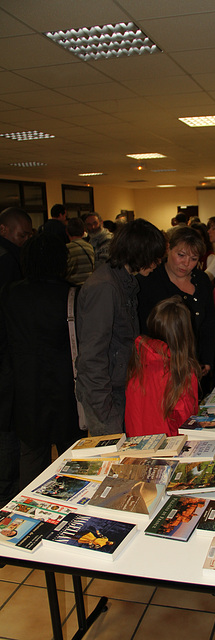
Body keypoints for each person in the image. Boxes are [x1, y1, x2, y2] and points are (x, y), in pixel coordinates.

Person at [0, 234, 82, 488]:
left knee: (32, 458)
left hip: (25, 387)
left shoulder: (10, 293)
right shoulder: (72, 294)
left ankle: (32, 513)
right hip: (66, 388)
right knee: (74, 458)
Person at [76, 219, 166, 436]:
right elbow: (93, 354)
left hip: (119, 385)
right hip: (105, 393)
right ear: (139, 253)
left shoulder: (123, 281)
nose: (156, 264)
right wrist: (104, 408)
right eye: (154, 258)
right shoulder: (105, 287)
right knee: (113, 458)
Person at [137, 226, 215, 379]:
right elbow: (142, 331)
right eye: (181, 255)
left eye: (193, 259)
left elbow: (209, 323)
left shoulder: (202, 280)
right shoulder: (148, 281)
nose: (186, 263)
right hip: (159, 368)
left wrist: (206, 358)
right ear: (168, 249)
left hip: (194, 364)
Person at [125, 296, 201, 437]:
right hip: (169, 448)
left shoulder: (139, 359)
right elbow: (187, 422)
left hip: (137, 446)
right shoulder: (181, 370)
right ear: (185, 333)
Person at [0, 206, 33, 506]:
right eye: (21, 235)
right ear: (4, 230)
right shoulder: (8, 262)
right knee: (7, 428)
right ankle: (7, 493)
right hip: (6, 359)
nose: (24, 241)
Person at [0, 207, 33, 286]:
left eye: (29, 236)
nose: (26, 241)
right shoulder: (7, 259)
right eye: (22, 236)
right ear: (2, 229)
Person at [66, 217, 95, 285]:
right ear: (83, 231)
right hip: (88, 286)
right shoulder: (89, 246)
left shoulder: (67, 248)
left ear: (67, 232)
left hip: (73, 286)